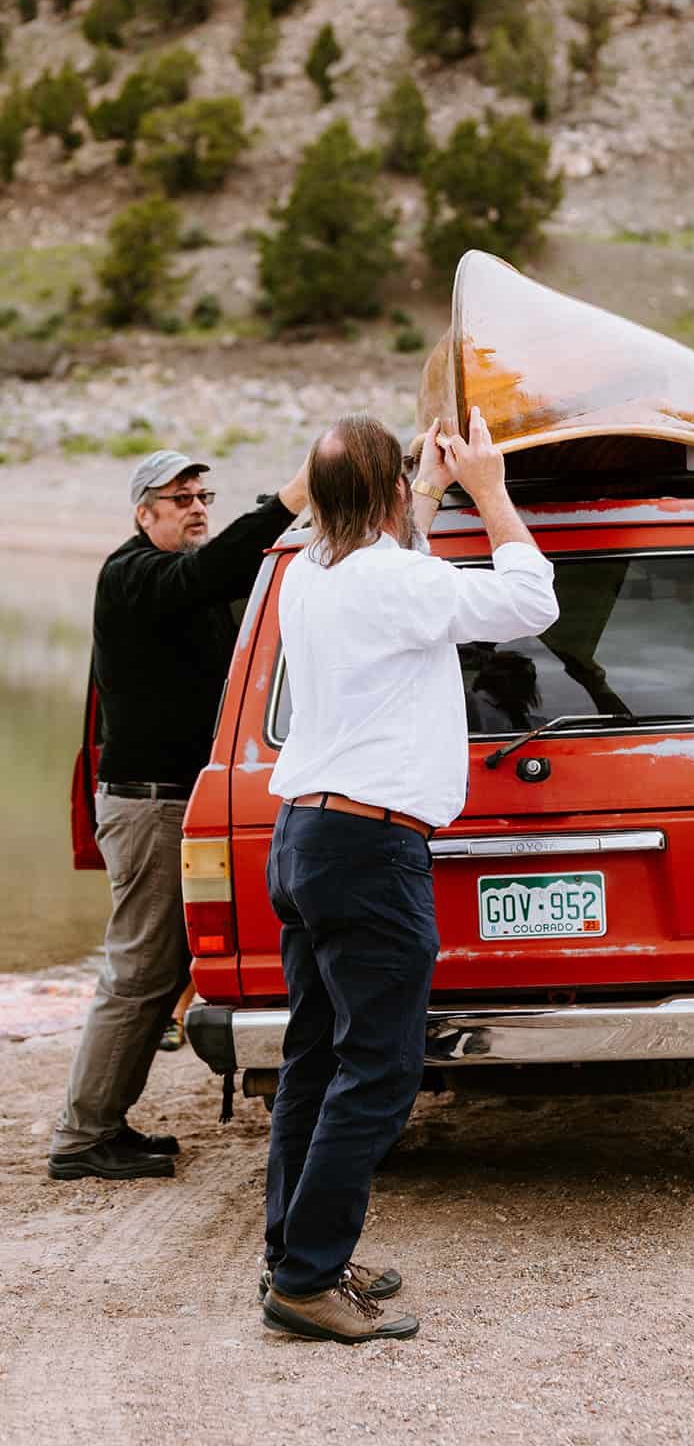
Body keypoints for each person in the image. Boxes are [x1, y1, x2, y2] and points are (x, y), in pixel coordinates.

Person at [260, 407, 558, 1347]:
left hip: (302, 839)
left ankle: (295, 1254)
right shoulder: (398, 580)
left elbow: (392, 559)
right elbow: (530, 601)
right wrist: (490, 491)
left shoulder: (302, 575)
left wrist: (422, 488)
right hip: (366, 850)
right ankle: (307, 1282)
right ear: (386, 496)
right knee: (379, 1071)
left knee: (313, 1058)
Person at [49, 450, 308, 1181]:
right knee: (139, 972)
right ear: (144, 513)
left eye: (202, 495)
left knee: (158, 971)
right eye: (179, 498)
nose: (196, 506)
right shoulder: (133, 576)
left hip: (177, 804)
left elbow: (235, 572)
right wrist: (289, 497)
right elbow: (211, 572)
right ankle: (81, 1137)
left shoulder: (185, 586)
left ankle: (101, 1125)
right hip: (149, 805)